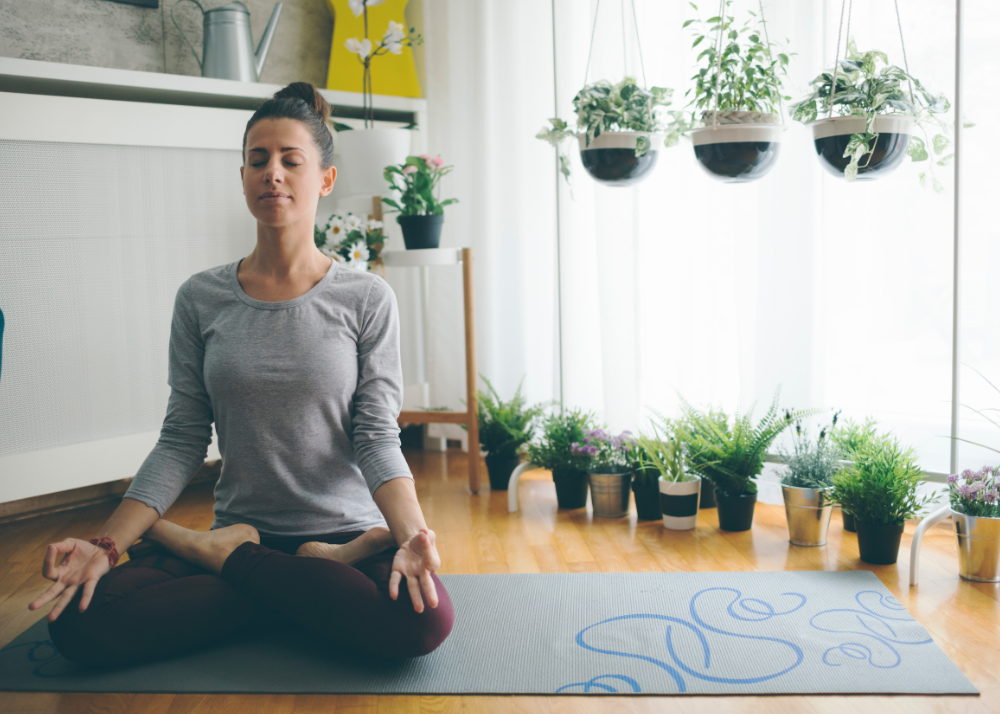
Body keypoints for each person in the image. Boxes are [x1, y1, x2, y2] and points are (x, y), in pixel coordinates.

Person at [27, 82, 454, 666]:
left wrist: (411, 537)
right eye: (258, 160)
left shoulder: (366, 298)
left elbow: (376, 435)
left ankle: (221, 559)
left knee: (424, 623)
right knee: (80, 624)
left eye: (290, 160)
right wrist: (107, 543)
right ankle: (291, 584)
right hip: (244, 524)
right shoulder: (201, 298)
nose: (271, 173)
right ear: (244, 175)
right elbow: (181, 437)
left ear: (324, 180)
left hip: (345, 537)